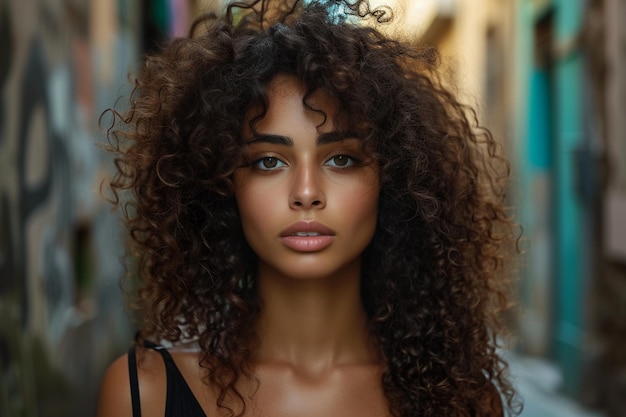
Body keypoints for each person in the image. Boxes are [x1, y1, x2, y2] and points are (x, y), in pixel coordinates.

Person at [96, 0, 521, 416]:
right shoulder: (143, 395)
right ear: (223, 186)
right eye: (268, 161)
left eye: (342, 159)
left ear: (393, 181)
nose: (305, 192)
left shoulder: (464, 403)